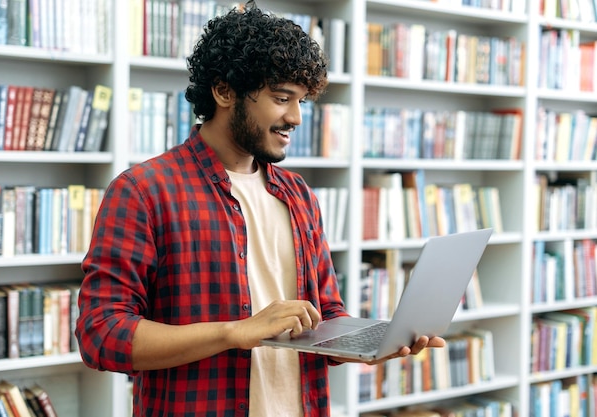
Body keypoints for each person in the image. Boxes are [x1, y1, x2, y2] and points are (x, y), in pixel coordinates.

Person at [75, 2, 445, 416]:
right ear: (224, 91)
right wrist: (235, 332)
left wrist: (374, 343)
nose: (296, 117)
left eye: (302, 101)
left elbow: (325, 314)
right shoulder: (143, 191)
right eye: (281, 97)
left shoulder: (298, 195)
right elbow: (101, 334)